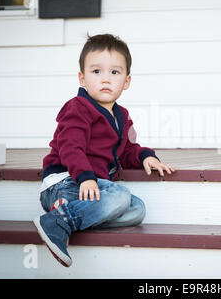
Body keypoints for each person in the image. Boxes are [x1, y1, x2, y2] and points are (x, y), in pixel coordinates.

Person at [33, 33, 175, 267]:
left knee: (137, 210)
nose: (106, 79)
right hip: (67, 181)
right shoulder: (78, 108)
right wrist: (86, 178)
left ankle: (68, 214)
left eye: (115, 72)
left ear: (126, 81)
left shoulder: (122, 116)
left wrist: (146, 157)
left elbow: (127, 149)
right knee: (120, 195)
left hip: (92, 188)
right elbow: (71, 147)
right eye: (96, 72)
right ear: (82, 78)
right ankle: (58, 222)